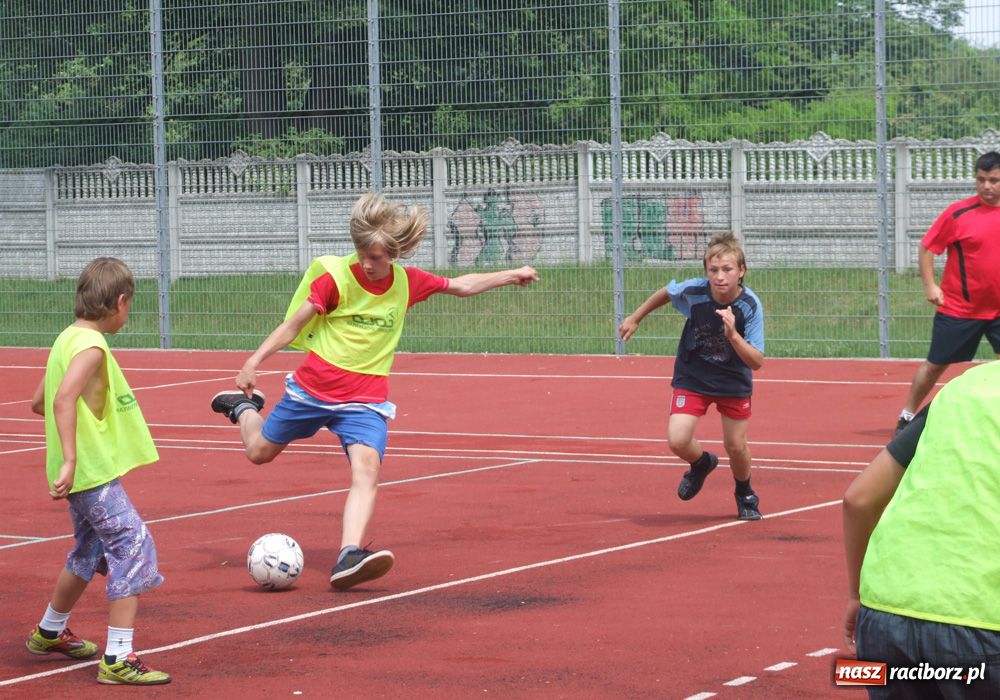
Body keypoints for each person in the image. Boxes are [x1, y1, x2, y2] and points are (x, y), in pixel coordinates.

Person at [211, 192, 538, 591]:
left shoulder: (407, 283)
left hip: (365, 402)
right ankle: (243, 409)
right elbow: (293, 324)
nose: (367, 263)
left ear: (394, 254)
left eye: (376, 257)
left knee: (366, 469)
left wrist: (512, 274)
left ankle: (349, 554)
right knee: (258, 452)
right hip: (313, 391)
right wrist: (253, 361)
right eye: (363, 253)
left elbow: (461, 285)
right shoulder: (337, 280)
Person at [26, 257, 170, 686]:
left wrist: (74, 434)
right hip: (89, 473)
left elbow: (39, 401)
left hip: (84, 473)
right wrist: (71, 458)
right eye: (131, 305)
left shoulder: (67, 338)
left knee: (89, 550)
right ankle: (118, 658)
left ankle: (50, 631)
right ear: (121, 301)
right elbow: (60, 400)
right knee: (134, 545)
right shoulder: (91, 347)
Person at [843, 361, 1000, 699]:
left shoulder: (959, 390)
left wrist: (856, 596)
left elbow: (858, 499)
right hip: (984, 622)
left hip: (884, 614)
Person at [619, 232, 765, 520]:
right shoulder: (696, 291)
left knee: (735, 446)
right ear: (706, 271)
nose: (719, 276)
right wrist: (636, 317)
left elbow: (757, 361)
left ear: (741, 271)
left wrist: (733, 335)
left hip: (732, 380)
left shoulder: (749, 306)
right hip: (693, 375)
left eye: (727, 269)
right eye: (713, 270)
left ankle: (744, 492)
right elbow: (667, 292)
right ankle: (701, 463)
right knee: (677, 440)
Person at [895, 151, 1000, 435]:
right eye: (981, 179)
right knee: (935, 366)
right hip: (960, 309)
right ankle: (907, 416)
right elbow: (927, 247)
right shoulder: (958, 214)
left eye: (993, 180)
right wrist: (930, 285)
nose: (986, 186)